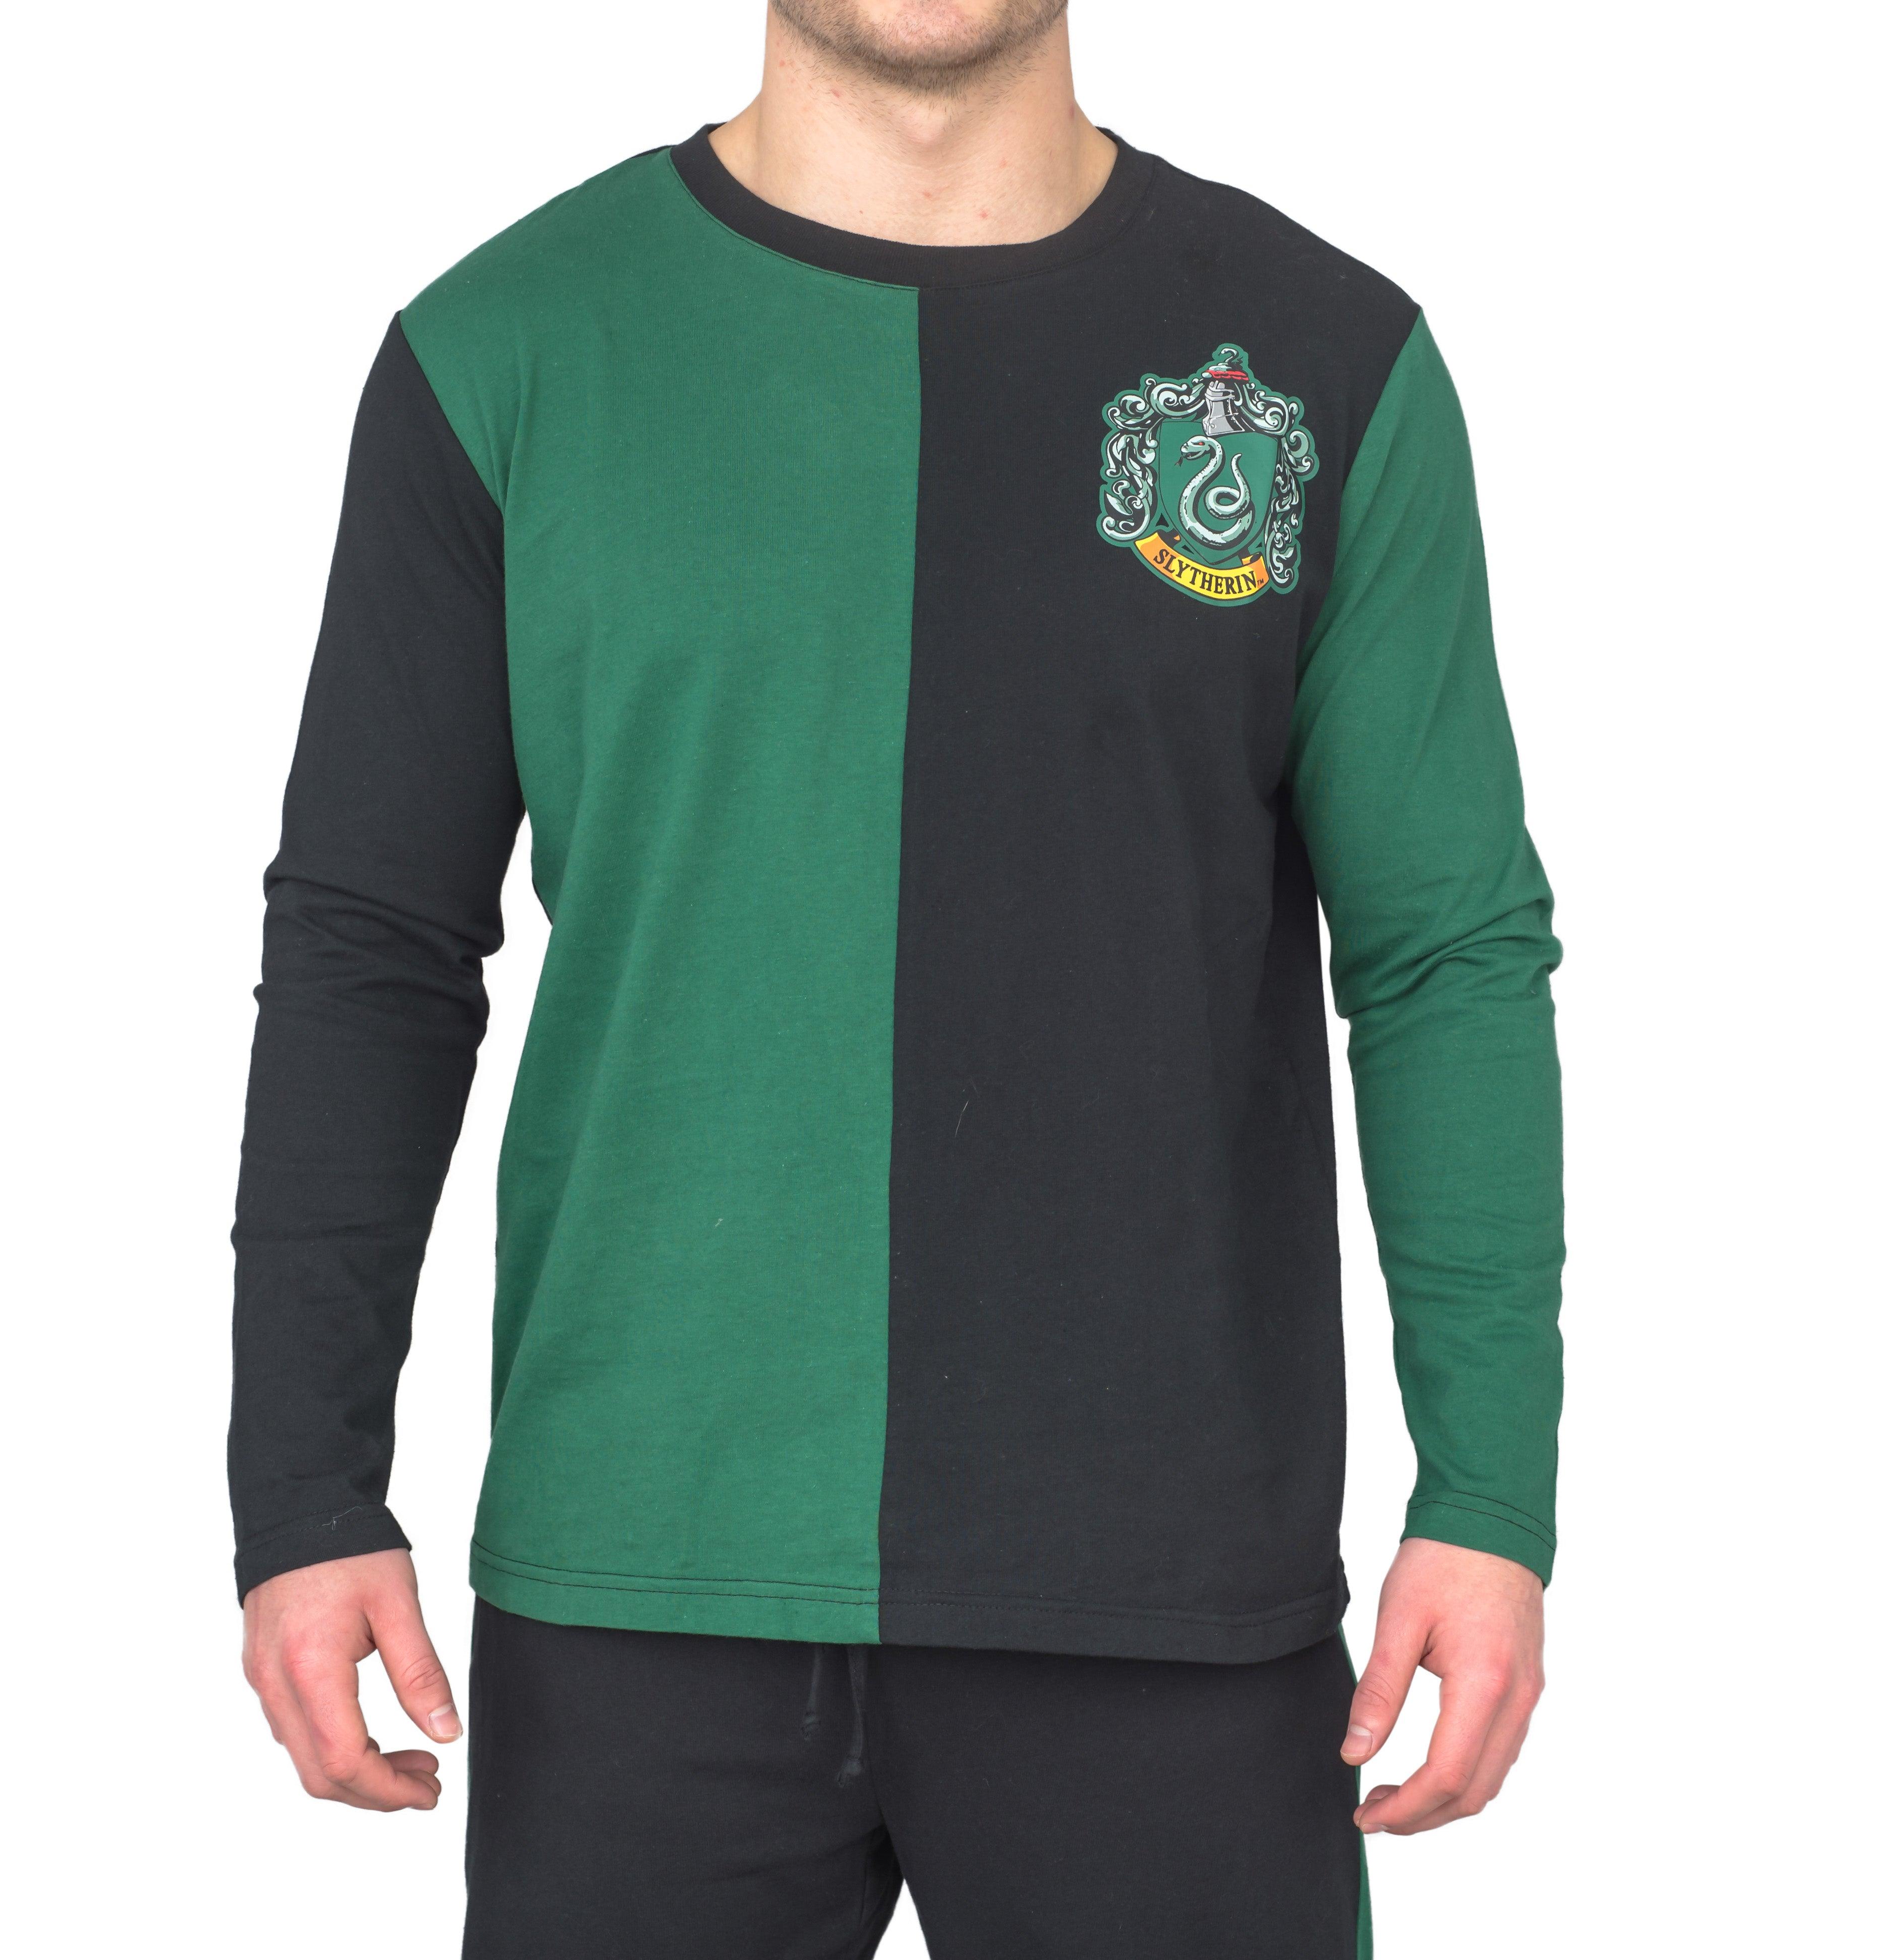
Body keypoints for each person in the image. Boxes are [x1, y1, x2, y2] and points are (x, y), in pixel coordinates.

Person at [231, 4, 1563, 1953]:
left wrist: (1488, 1491)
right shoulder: (505, 347)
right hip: (642, 1578)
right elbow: (373, 946)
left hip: (1167, 1588)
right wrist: (305, 1488)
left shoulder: (1325, 361)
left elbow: (1445, 955)